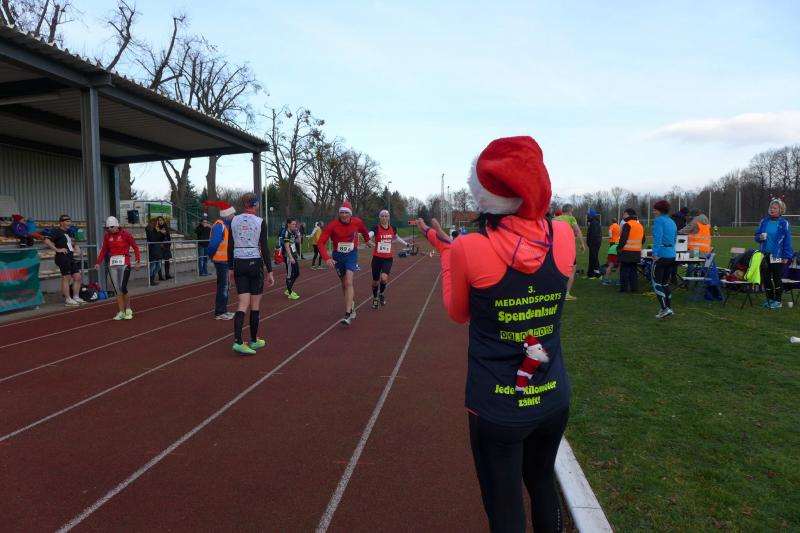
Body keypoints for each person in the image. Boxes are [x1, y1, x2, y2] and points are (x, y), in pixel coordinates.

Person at [418, 136, 574, 533]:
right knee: (542, 483)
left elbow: (458, 314)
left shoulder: (469, 248)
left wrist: (448, 254)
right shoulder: (564, 235)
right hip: (552, 395)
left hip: (497, 404)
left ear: (483, 195)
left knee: (505, 507)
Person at [230, 193, 275, 354]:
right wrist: (270, 271)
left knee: (242, 304)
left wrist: (230, 268)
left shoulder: (234, 220)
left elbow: (230, 245)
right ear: (255, 204)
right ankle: (254, 340)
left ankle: (237, 341)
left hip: (239, 263)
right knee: (255, 305)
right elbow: (264, 247)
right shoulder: (260, 221)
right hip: (254, 264)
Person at [317, 201, 372, 325]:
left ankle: (348, 313)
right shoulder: (332, 225)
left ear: (350, 214)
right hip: (338, 256)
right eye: (341, 212)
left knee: (348, 282)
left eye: (346, 213)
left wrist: (367, 240)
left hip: (351, 254)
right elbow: (320, 242)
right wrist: (327, 258)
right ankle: (351, 304)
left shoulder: (357, 222)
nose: (344, 215)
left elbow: (364, 231)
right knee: (344, 284)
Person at [95, 216, 141, 320]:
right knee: (117, 289)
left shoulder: (126, 235)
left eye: (111, 227)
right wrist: (98, 262)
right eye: (107, 228)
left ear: (116, 226)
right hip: (113, 264)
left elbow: (135, 247)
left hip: (124, 263)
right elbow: (103, 249)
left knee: (123, 287)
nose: (109, 229)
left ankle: (128, 309)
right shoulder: (107, 236)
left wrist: (137, 261)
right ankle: (121, 312)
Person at [755, 198, 793, 309]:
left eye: (775, 208)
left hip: (777, 255)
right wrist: (760, 237)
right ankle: (770, 299)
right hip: (764, 255)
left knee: (776, 278)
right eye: (771, 207)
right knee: (766, 278)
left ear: (781, 210)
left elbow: (788, 241)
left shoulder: (784, 223)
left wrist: (786, 256)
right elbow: (756, 236)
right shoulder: (764, 221)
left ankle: (778, 301)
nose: (772, 210)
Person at [368, 209, 408, 309]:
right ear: (379, 217)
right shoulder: (376, 228)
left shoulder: (393, 228)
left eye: (386, 216)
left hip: (388, 259)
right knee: (375, 281)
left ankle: (381, 293)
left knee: (384, 278)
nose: (384, 218)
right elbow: (369, 234)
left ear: (389, 217)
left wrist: (406, 244)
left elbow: (397, 237)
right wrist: (368, 240)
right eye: (382, 216)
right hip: (377, 258)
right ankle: (375, 297)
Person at [43, 214, 86, 306]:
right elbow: (46, 241)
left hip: (70, 257)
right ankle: (67, 298)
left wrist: (77, 248)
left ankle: (76, 297)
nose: (69, 223)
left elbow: (74, 243)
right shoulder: (56, 231)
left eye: (70, 221)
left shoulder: (69, 232)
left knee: (78, 277)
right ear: (61, 222)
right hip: (62, 257)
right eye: (67, 221)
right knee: (66, 277)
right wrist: (57, 249)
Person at [205, 201, 236, 320]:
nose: (234, 216)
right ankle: (220, 312)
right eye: (232, 214)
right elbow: (213, 244)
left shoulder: (226, 225)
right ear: (227, 214)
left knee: (225, 287)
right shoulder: (220, 226)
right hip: (221, 261)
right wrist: (211, 256)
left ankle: (223, 310)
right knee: (223, 287)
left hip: (225, 261)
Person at [650, 200, 677, 318]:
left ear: (660, 210)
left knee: (657, 283)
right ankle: (669, 308)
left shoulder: (659, 220)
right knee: (665, 283)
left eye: (655, 210)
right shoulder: (672, 221)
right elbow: (675, 238)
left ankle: (665, 309)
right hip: (671, 255)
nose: (653, 212)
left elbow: (658, 237)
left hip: (661, 255)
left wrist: (655, 253)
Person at [553, 204, 585, 300]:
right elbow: (578, 231)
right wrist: (582, 244)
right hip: (567, 248)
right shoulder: (571, 218)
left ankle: (554, 291)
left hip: (554, 248)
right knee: (572, 270)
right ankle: (566, 294)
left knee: (556, 269)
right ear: (570, 211)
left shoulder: (554, 219)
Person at [617, 208, 645, 293]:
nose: (623, 216)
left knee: (624, 271)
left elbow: (623, 238)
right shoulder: (640, 225)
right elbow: (643, 239)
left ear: (629, 214)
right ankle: (634, 288)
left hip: (627, 251)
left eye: (624, 214)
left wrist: (619, 248)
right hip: (636, 252)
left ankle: (624, 289)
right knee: (633, 271)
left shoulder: (627, 225)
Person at [281, 217, 301, 299]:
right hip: (289, 256)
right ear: (288, 224)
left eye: (295, 224)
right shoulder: (286, 233)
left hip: (294, 255)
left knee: (297, 273)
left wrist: (298, 234)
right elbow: (286, 246)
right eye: (293, 224)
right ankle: (290, 293)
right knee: (290, 274)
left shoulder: (293, 232)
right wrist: (290, 257)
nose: (294, 225)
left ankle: (288, 289)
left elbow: (298, 242)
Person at [145, 218, 164, 285]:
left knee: (159, 266)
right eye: (157, 223)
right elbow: (153, 238)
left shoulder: (156, 229)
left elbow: (160, 238)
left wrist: (162, 233)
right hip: (152, 249)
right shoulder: (149, 229)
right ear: (154, 223)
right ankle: (151, 280)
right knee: (152, 265)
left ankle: (152, 278)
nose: (158, 224)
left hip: (157, 249)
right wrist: (160, 232)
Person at [602, 218, 620, 286]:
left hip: (612, 247)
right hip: (617, 247)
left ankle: (606, 280)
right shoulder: (618, 226)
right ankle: (619, 281)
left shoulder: (612, 225)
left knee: (610, 265)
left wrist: (610, 237)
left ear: (612, 221)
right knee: (619, 266)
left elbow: (610, 231)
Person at [586, 208, 602, 278]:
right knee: (591, 258)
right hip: (593, 244)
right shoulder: (592, 222)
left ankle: (598, 274)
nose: (587, 216)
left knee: (594, 258)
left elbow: (594, 235)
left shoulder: (594, 223)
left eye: (588, 215)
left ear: (591, 215)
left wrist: (591, 243)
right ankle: (590, 274)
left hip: (594, 244)